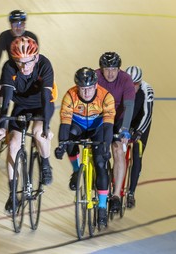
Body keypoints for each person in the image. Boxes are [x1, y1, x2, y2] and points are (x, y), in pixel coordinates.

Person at [0, 36, 55, 214]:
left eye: (28, 62)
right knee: (13, 144)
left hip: (41, 105)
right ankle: (13, 193)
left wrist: (46, 126)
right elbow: (6, 100)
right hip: (20, 106)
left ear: (36, 57)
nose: (24, 67)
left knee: (38, 132)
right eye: (20, 63)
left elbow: (45, 96)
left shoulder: (45, 64)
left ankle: (45, 164)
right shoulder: (9, 68)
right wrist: (2, 125)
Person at [54, 67, 115, 226]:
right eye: (82, 89)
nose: (86, 93)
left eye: (89, 89)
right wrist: (62, 144)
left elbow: (109, 126)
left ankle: (102, 206)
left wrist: (106, 147)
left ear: (95, 86)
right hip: (78, 126)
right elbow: (65, 124)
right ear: (77, 87)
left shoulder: (106, 97)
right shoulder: (70, 95)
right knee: (69, 139)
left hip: (98, 129)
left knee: (100, 163)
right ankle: (76, 170)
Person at [96, 52, 136, 212]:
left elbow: (129, 107)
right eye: (107, 69)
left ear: (119, 69)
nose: (110, 73)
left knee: (118, 150)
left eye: (114, 69)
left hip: (118, 118)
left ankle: (116, 196)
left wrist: (125, 129)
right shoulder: (96, 77)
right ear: (101, 70)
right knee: (97, 148)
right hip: (100, 116)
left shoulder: (126, 80)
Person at [0, 10, 38, 102]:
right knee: (3, 99)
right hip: (11, 71)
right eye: (15, 24)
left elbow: (35, 61)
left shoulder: (31, 37)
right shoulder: (4, 36)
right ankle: (2, 111)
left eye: (21, 24)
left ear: (25, 24)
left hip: (27, 72)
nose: (18, 27)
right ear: (10, 25)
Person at [125, 66, 154, 208]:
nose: (132, 87)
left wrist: (139, 132)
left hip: (141, 122)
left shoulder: (147, 89)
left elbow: (147, 114)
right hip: (126, 121)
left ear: (140, 82)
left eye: (135, 84)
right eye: (130, 84)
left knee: (137, 151)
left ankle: (131, 193)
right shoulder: (122, 85)